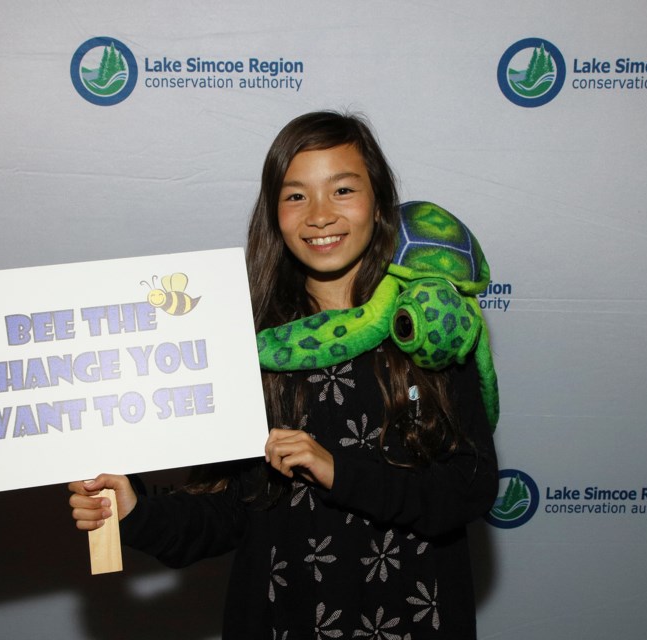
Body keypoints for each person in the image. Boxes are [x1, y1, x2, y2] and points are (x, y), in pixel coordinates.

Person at [69, 111, 498, 638]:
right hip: (282, 620)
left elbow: (470, 488)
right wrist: (134, 509)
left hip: (416, 617)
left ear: (380, 204)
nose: (319, 215)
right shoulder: (246, 344)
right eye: (296, 196)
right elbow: (227, 512)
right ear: (274, 213)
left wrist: (338, 470)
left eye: (342, 190)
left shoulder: (429, 324)